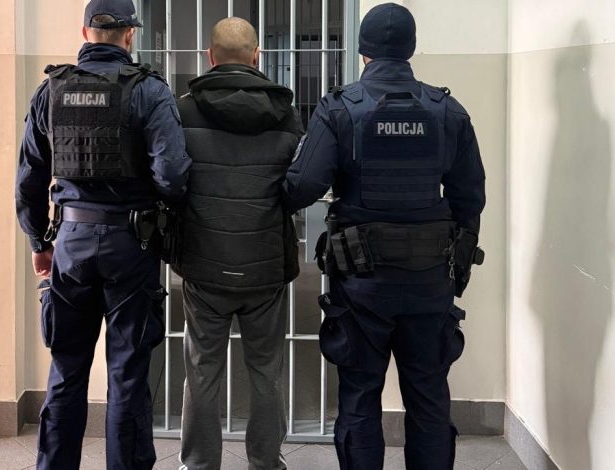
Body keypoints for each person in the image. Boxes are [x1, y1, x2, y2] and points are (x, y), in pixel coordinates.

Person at [282, 3, 486, 469]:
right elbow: (470, 197)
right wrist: (455, 263)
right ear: (410, 48)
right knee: (429, 397)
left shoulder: (339, 108)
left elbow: (302, 187)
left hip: (361, 283)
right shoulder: (447, 110)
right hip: (429, 280)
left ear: (364, 51)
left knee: (359, 397)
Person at [14, 0, 191, 468]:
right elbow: (173, 175)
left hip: (70, 243)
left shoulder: (50, 91)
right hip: (132, 244)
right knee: (127, 375)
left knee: (66, 370)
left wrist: (39, 243)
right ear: (130, 35)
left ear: (85, 33)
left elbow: (28, 180)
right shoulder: (149, 90)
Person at [172, 17, 303, 470]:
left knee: (201, 370)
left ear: (210, 57)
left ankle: (199, 464)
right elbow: (297, 184)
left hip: (204, 264)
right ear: (256, 56)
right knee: (266, 371)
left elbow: (170, 179)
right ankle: (265, 463)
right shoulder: (286, 113)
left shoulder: (183, 111)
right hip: (265, 265)